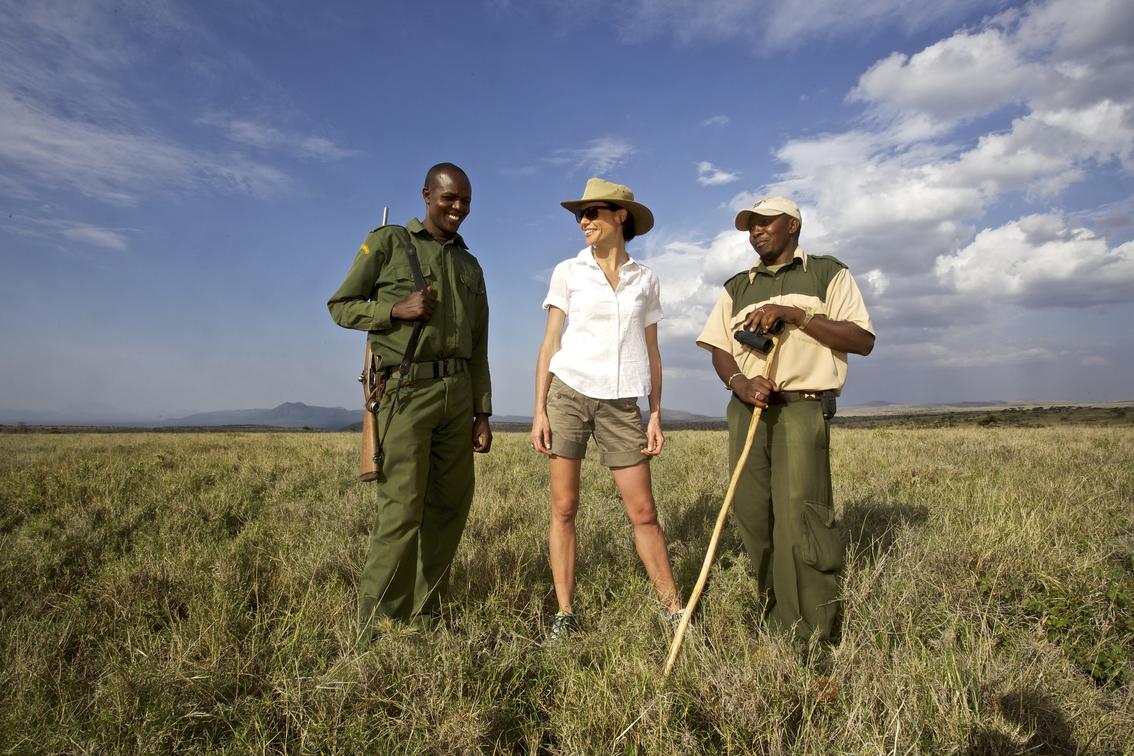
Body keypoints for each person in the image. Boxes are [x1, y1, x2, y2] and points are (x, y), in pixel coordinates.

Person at [696, 196, 874, 644]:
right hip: (748, 408)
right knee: (753, 515)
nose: (755, 231)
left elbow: (861, 339)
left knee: (801, 517)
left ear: (792, 225)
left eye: (764, 223)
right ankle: (774, 616)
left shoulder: (827, 273)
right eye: (750, 226)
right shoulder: (736, 286)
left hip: (801, 406)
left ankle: (810, 632)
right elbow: (718, 346)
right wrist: (740, 382)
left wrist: (794, 314)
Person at [328, 162, 492, 646]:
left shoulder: (470, 264)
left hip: (459, 395)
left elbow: (480, 343)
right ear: (426, 195)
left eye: (465, 200)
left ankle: (423, 616)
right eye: (449, 199)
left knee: (449, 510)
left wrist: (482, 411)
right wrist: (394, 311)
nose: (458, 208)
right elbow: (340, 306)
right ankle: (377, 630)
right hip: (406, 393)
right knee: (401, 513)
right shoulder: (388, 243)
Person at [531, 177, 682, 639]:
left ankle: (674, 610)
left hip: (623, 405)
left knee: (644, 512)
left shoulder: (646, 279)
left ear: (621, 216)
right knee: (564, 507)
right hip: (570, 395)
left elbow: (652, 351)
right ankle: (564, 613)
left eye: (593, 212)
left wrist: (654, 411)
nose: (583, 221)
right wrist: (539, 409)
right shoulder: (569, 271)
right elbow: (551, 341)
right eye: (580, 214)